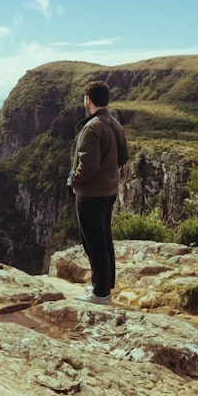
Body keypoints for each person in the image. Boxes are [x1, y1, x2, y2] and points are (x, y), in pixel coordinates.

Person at [68, 80, 129, 304]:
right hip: (109, 190)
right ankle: (103, 288)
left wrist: (72, 181)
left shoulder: (92, 127)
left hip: (91, 194)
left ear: (89, 100)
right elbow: (123, 158)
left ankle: (100, 294)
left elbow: (88, 167)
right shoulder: (114, 123)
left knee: (93, 243)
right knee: (104, 240)